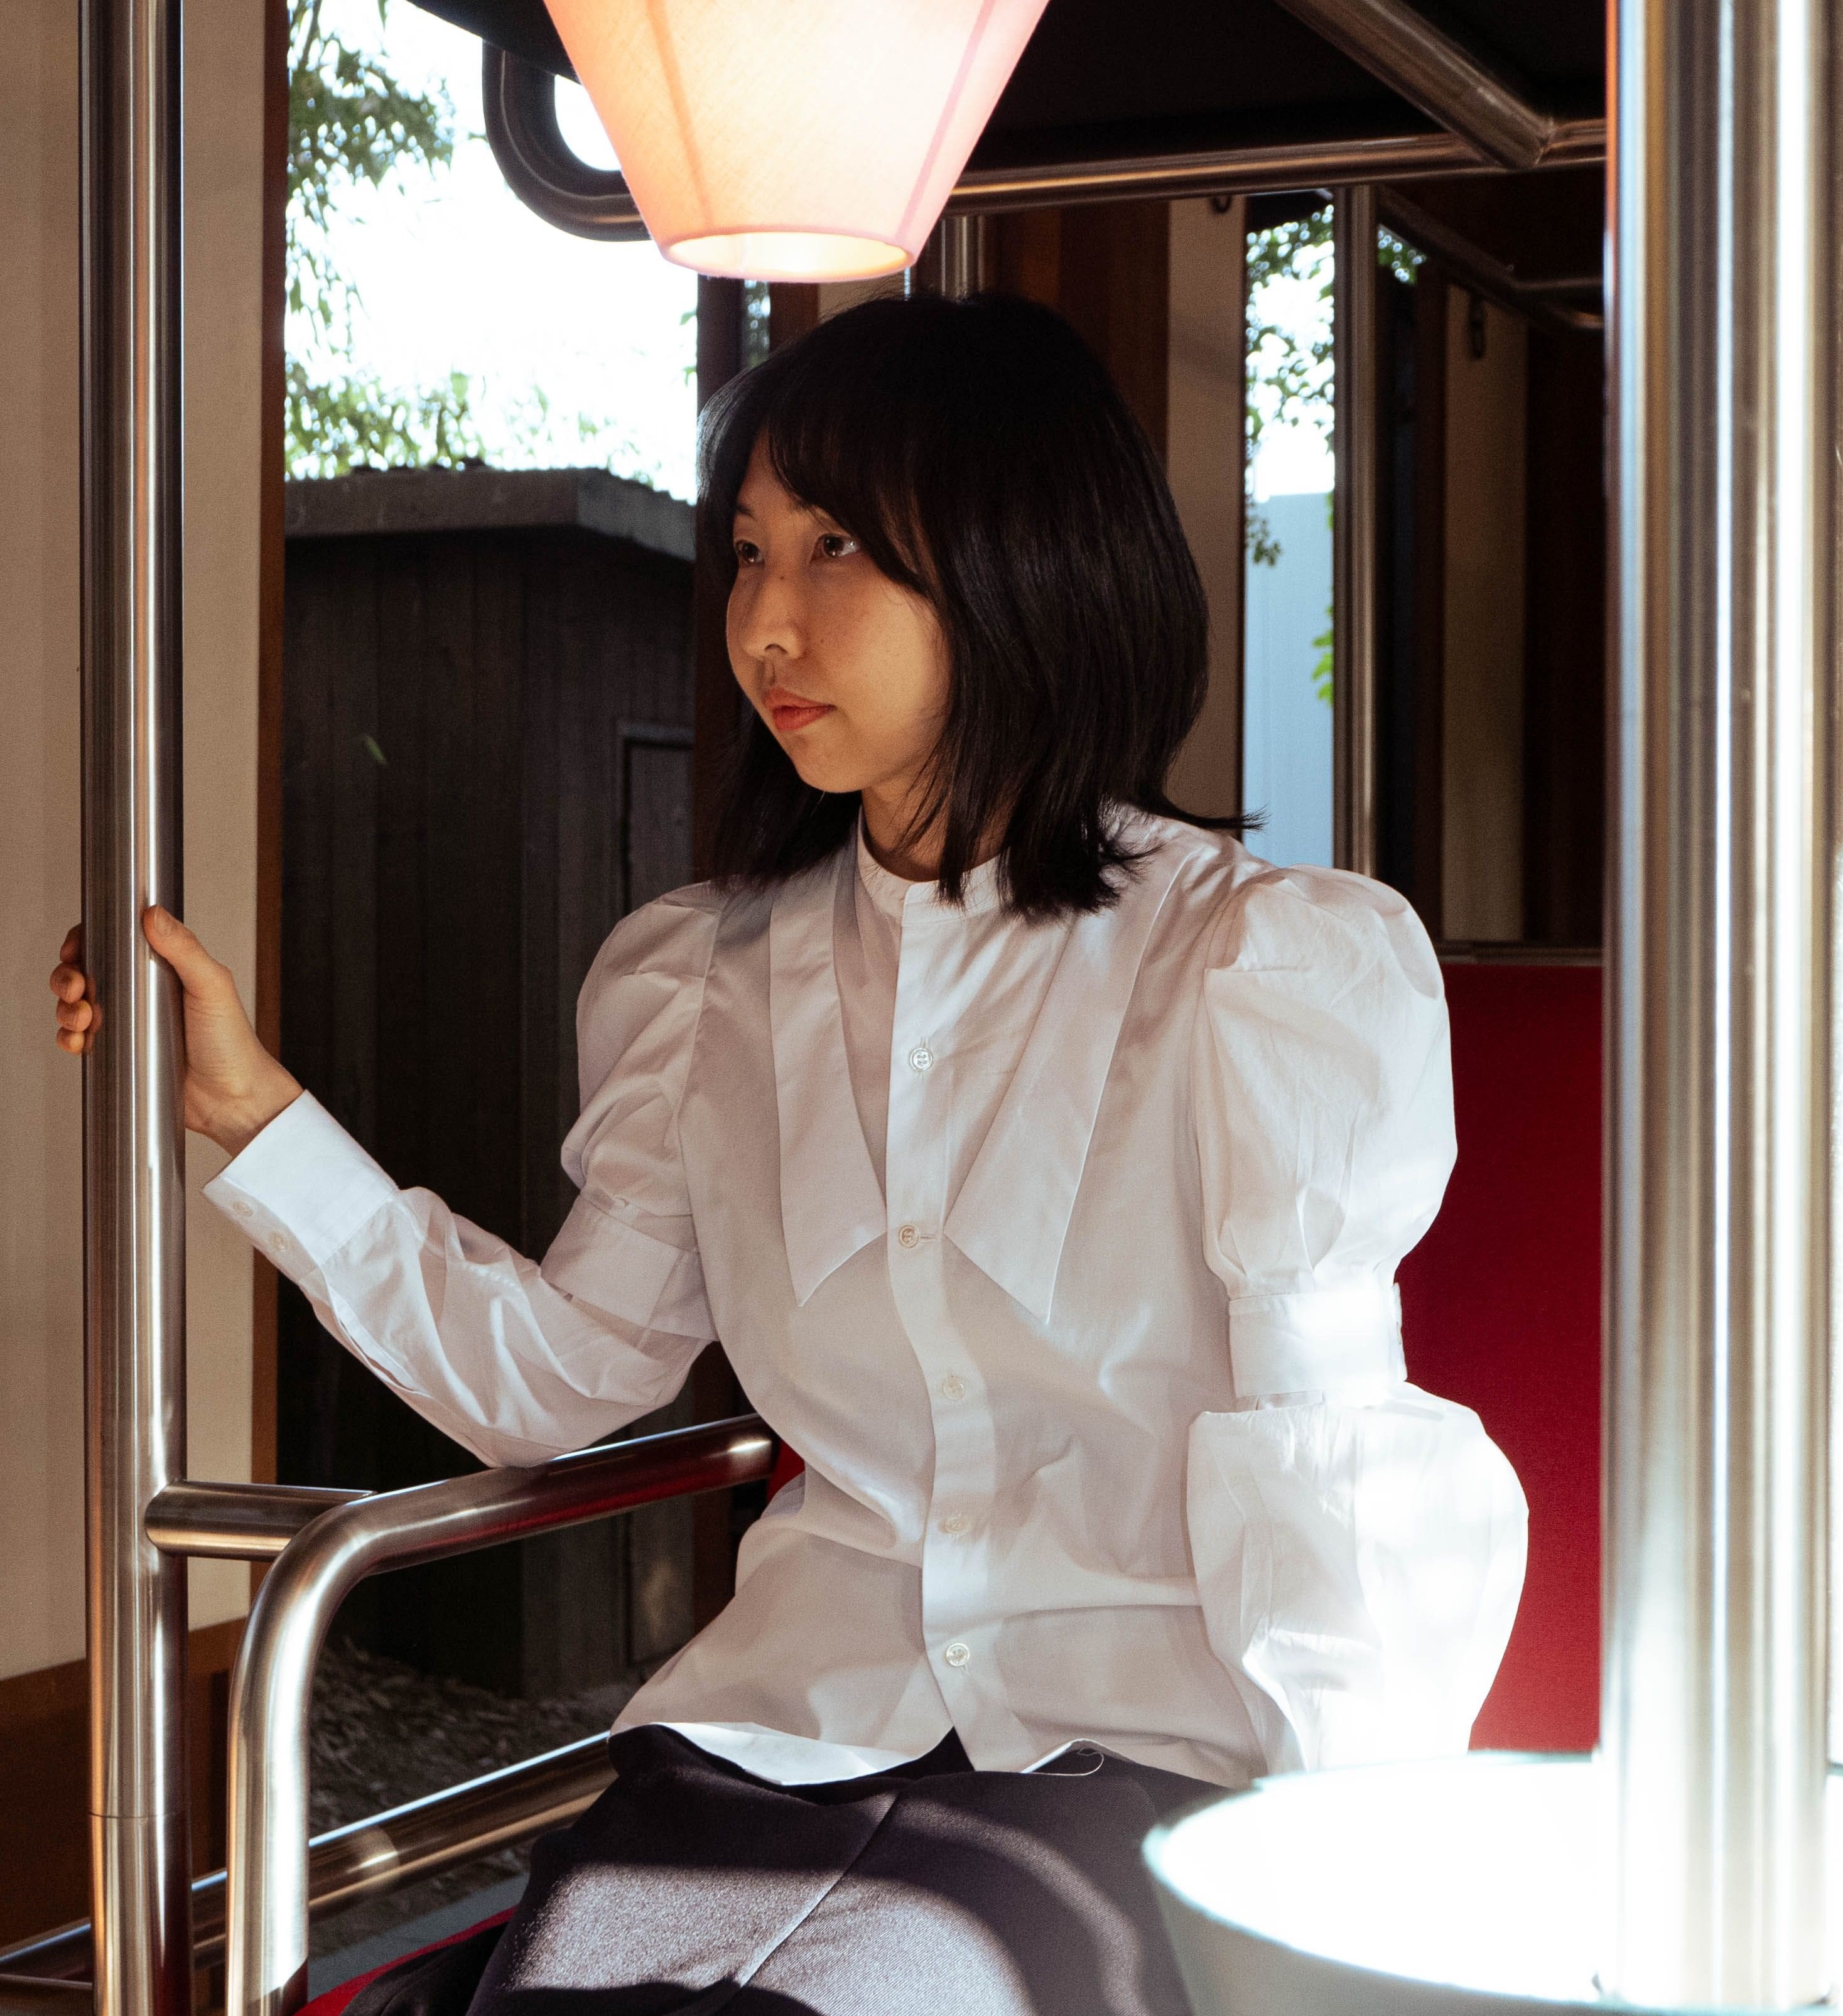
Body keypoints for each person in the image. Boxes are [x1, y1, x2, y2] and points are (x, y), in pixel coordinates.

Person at [51, 293, 1527, 2016]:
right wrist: (254, 1118)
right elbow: (556, 1380)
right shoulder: (705, 978)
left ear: (1023, 559)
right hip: (773, 1738)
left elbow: (1321, 1464)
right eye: (747, 550)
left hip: (1136, 1761)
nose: (764, 617)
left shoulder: (1260, 969)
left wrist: (1341, 1910)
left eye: (836, 548)